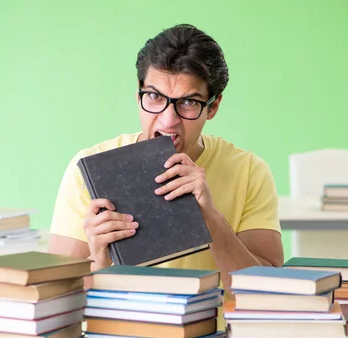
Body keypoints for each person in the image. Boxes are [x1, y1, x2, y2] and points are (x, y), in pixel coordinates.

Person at [48, 24, 283, 290]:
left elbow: (271, 288)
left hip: (213, 328)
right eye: (155, 96)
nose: (168, 120)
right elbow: (53, 292)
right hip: (119, 329)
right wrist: (98, 259)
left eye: (189, 102)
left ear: (213, 106)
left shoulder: (249, 171)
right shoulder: (89, 168)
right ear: (139, 94)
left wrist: (209, 216)